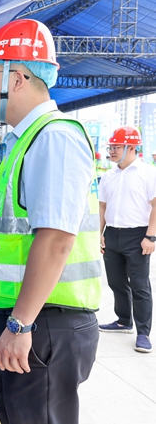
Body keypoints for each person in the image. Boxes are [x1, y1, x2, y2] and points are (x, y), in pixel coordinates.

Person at [0, 19, 101, 424]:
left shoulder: (54, 137)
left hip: (42, 324)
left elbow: (56, 240)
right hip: (28, 319)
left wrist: (20, 323)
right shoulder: (26, 141)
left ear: (19, 77)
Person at [99, 125, 156, 353]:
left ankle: (143, 333)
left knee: (140, 286)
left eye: (116, 147)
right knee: (116, 282)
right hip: (112, 235)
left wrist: (151, 236)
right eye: (111, 147)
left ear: (131, 148)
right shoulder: (109, 176)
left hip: (138, 236)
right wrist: (99, 235)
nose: (111, 151)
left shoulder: (148, 173)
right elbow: (102, 206)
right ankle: (123, 321)